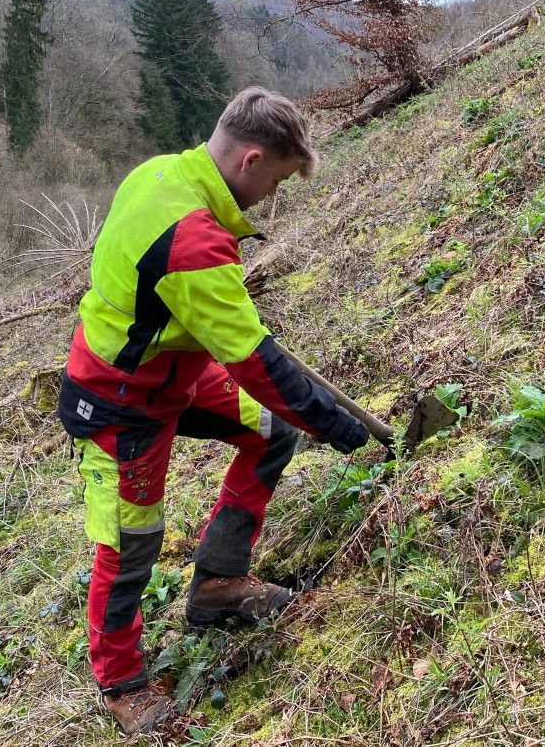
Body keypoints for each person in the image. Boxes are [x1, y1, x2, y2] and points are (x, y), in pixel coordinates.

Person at [56, 87, 371, 734]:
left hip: (172, 380)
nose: (273, 196)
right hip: (120, 403)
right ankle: (120, 683)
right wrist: (344, 430)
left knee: (270, 432)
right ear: (252, 159)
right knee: (130, 543)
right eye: (278, 180)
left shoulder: (163, 172)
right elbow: (257, 364)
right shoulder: (195, 241)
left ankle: (218, 584)